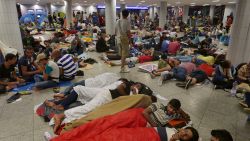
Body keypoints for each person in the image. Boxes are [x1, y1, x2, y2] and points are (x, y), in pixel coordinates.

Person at [45, 108, 199, 141]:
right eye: (186, 131)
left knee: (104, 138)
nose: (183, 133)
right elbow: (187, 117)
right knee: (98, 126)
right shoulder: (174, 126)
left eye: (186, 136)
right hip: (144, 128)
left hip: (149, 136)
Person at [51, 79, 137, 133]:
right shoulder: (124, 84)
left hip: (105, 95)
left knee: (88, 108)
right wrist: (128, 94)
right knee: (87, 109)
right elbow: (120, 88)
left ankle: (62, 104)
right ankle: (60, 115)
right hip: (106, 96)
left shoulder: (129, 89)